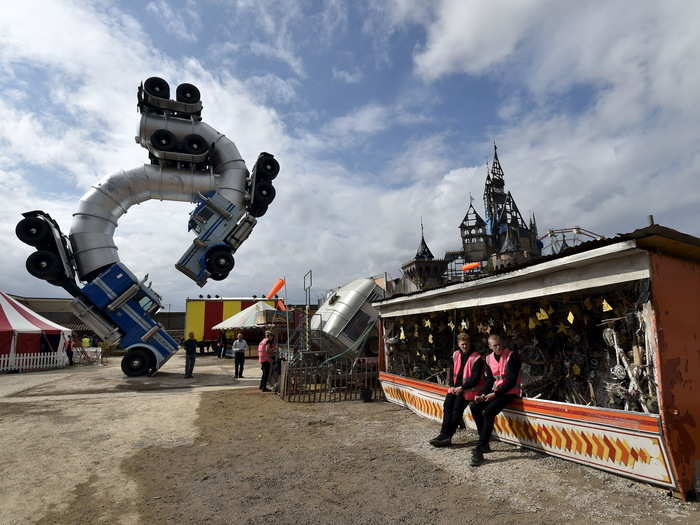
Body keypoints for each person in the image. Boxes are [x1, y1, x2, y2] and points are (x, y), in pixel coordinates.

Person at [469, 334, 522, 466]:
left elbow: (510, 381)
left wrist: (495, 394)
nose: (498, 347)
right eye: (495, 345)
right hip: (496, 391)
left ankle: (479, 448)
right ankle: (484, 442)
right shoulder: (488, 358)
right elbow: (490, 380)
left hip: (510, 392)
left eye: (499, 344)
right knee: (474, 407)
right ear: (490, 346)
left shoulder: (511, 356)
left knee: (489, 412)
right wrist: (481, 394)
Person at [429, 332, 485, 447]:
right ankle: (443, 433)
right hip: (455, 388)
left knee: (456, 411)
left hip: (468, 390)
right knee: (447, 406)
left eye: (466, 344)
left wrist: (462, 387)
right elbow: (451, 371)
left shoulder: (477, 358)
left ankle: (448, 436)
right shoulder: (456, 355)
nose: (465, 346)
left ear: (470, 343)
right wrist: (450, 385)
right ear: (459, 344)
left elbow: (475, 378)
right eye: (462, 344)